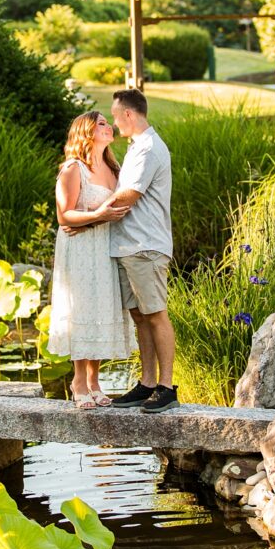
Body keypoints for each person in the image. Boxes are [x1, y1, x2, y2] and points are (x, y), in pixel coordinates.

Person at [47, 111, 138, 409]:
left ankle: (95, 381)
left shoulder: (114, 167)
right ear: (86, 131)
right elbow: (64, 216)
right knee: (82, 307)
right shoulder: (74, 169)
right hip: (81, 247)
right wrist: (98, 216)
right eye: (101, 123)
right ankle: (78, 380)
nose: (109, 126)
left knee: (101, 308)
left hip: (106, 246)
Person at [103, 88, 179, 413]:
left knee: (156, 314)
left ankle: (167, 387)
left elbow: (130, 194)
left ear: (129, 115)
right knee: (140, 316)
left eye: (116, 116)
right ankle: (147, 383)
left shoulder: (149, 149)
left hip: (145, 246)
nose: (115, 122)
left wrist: (92, 209)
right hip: (128, 246)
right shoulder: (136, 147)